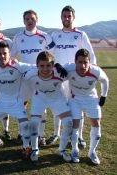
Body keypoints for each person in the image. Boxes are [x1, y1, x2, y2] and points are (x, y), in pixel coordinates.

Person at [50, 5, 97, 148]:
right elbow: (49, 54)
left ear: (73, 17)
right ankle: (55, 133)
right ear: (61, 18)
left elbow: (91, 57)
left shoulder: (81, 35)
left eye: (69, 16)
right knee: (58, 106)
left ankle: (80, 136)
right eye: (64, 16)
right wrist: (56, 65)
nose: (66, 18)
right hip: (59, 77)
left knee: (78, 106)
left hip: (76, 78)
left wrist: (87, 75)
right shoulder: (54, 35)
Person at [11, 9, 55, 145]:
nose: (30, 21)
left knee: (41, 107)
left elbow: (53, 56)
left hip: (41, 77)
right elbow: (11, 56)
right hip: (25, 78)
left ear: (37, 20)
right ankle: (22, 132)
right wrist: (16, 63)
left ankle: (41, 135)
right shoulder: (18, 37)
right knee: (21, 105)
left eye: (32, 19)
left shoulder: (45, 36)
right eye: (27, 19)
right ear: (23, 21)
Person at [0, 41, 33, 157]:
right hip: (0, 101)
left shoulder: (18, 66)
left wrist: (56, 67)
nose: (2, 56)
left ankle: (26, 147)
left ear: (10, 54)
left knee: (24, 125)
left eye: (5, 53)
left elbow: (36, 67)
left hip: (16, 102)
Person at [25, 51, 72, 162]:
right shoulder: (30, 74)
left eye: (48, 65)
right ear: (37, 66)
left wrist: (59, 65)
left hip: (58, 99)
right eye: (42, 66)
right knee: (34, 123)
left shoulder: (60, 73)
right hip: (40, 98)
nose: (45, 69)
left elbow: (74, 66)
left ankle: (62, 149)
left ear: (53, 65)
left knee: (69, 123)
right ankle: (35, 149)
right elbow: (20, 70)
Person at [65, 49, 109, 165]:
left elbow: (105, 81)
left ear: (90, 62)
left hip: (91, 99)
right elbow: (52, 69)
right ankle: (75, 150)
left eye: (86, 62)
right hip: (75, 99)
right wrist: (58, 67)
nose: (83, 65)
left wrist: (103, 96)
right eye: (80, 62)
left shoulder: (96, 71)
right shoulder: (69, 68)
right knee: (75, 124)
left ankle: (92, 152)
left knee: (96, 124)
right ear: (75, 62)